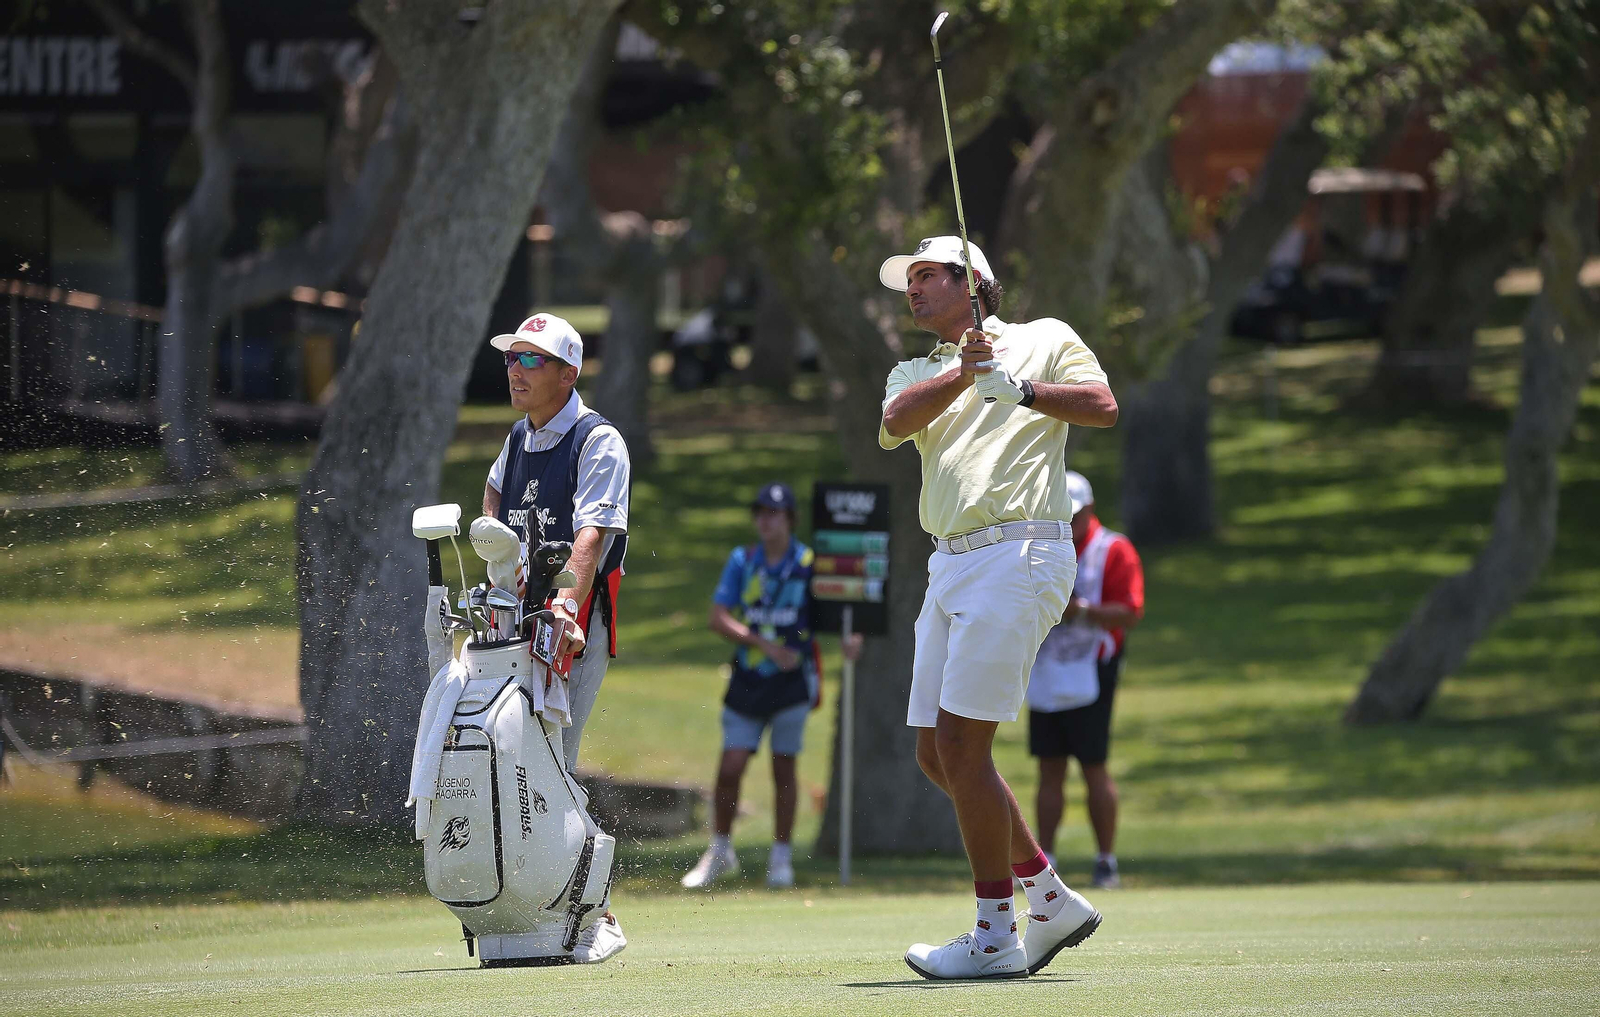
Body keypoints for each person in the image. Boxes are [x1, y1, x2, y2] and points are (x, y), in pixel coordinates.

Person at [878, 236, 1120, 980]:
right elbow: (895, 422)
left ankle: (996, 932)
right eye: (907, 280)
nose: (912, 291)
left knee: (962, 747)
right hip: (948, 563)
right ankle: (1047, 896)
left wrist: (1019, 389)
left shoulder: (1045, 339)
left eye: (926, 277)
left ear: (972, 281)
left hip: (1019, 552)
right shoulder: (918, 367)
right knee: (935, 751)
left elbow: (1103, 407)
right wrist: (966, 371)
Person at [481, 311, 630, 964]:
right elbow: (492, 501)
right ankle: (535, 912)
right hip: (514, 627)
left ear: (568, 373)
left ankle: (596, 912)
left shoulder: (598, 440)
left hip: (572, 630)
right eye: (512, 358)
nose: (516, 369)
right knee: (513, 768)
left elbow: (591, 539)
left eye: (531, 359)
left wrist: (562, 604)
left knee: (553, 770)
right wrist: (498, 564)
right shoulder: (517, 439)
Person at [682, 482, 862, 891]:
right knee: (731, 767)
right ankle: (720, 849)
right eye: (760, 512)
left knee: (784, 768)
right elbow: (718, 616)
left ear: (790, 519)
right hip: (749, 678)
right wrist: (761, 643)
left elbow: (831, 615)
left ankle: (781, 859)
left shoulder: (809, 563)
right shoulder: (744, 560)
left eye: (774, 513)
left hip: (793, 684)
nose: (765, 520)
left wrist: (849, 640)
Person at [1025, 470, 1145, 890]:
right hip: (1045, 668)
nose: (1067, 523)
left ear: (1090, 510)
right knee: (1049, 766)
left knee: (1093, 765)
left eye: (1073, 516)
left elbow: (1130, 611)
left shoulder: (1112, 550)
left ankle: (1106, 861)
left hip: (1094, 667)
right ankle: (1047, 863)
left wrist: (1083, 611)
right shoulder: (1040, 547)